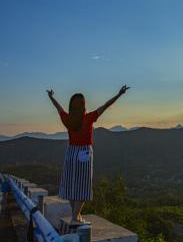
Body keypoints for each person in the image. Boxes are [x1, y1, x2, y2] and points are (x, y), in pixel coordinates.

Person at [46, 85, 130, 224]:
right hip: (84, 152)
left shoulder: (68, 119)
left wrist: (51, 97)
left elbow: (58, 107)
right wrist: (119, 94)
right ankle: (75, 217)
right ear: (83, 105)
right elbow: (106, 105)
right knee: (83, 187)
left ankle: (76, 216)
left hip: (70, 153)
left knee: (72, 185)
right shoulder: (89, 117)